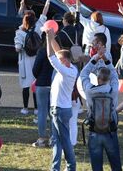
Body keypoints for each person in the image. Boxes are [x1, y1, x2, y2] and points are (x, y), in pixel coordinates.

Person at [80, 45, 122, 171]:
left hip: (94, 131)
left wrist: (96, 57)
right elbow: (114, 74)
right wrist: (106, 59)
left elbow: (84, 74)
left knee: (97, 166)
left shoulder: (89, 90)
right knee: (115, 164)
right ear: (108, 79)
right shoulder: (113, 89)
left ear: (97, 79)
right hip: (110, 131)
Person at [44, 25, 78, 171]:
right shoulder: (71, 68)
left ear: (64, 61)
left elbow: (51, 57)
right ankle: (55, 168)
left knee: (64, 141)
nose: (58, 61)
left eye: (60, 60)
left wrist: (48, 38)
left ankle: (71, 166)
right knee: (57, 141)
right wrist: (52, 38)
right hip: (60, 109)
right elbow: (58, 52)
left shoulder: (65, 71)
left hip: (59, 110)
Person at [15, 0, 50, 115]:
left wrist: (22, 4)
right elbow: (44, 14)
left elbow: (17, 48)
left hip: (24, 61)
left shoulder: (19, 32)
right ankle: (36, 108)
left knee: (25, 85)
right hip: (36, 59)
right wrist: (48, 0)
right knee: (35, 84)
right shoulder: (38, 27)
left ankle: (25, 108)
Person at [32, 24, 55, 148]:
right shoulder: (57, 51)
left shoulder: (41, 51)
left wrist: (38, 77)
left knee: (42, 112)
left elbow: (35, 70)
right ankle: (53, 138)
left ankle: (41, 138)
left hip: (42, 84)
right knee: (53, 113)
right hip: (53, 85)